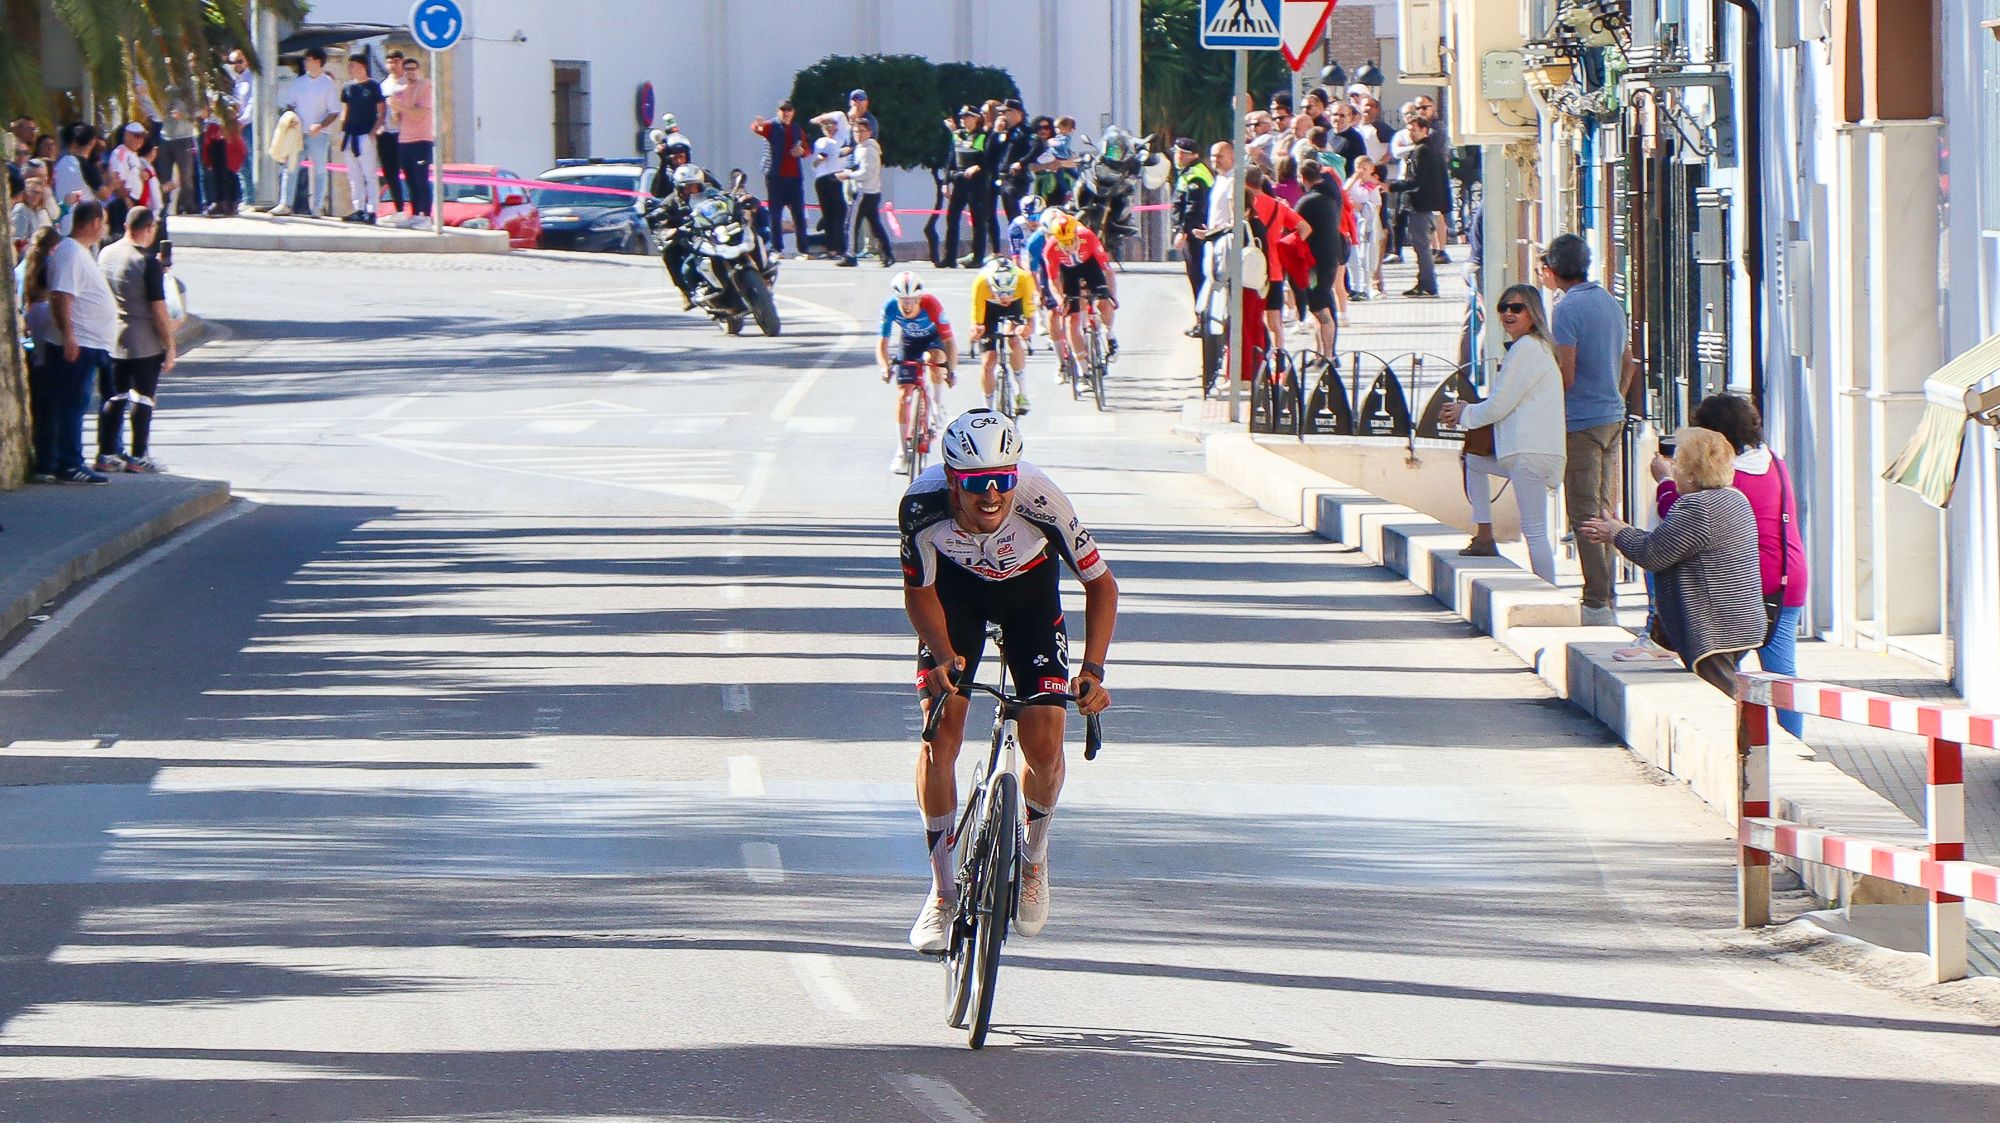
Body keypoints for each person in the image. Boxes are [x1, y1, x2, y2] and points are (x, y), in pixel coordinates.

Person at [900, 408, 1117, 952]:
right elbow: (919, 593)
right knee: (939, 733)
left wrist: (1092, 672)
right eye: (977, 484)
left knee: (1044, 743)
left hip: (1030, 602)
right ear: (953, 481)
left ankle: (1034, 857)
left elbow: (1102, 587)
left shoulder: (1043, 500)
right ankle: (943, 891)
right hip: (957, 603)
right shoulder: (921, 508)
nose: (992, 495)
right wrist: (945, 656)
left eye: (1003, 480)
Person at [1654, 394, 1810, 735]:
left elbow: (1679, 524)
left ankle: (1724, 737)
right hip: (1789, 574)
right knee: (1781, 673)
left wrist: (1666, 482)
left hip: (1750, 582)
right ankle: (1796, 744)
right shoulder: (1773, 462)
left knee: (1718, 663)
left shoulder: (1726, 479)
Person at [1579, 428, 1764, 695]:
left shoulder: (1697, 508)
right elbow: (1667, 543)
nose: (1672, 468)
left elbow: (1653, 553)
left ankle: (1737, 738)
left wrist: (1615, 532)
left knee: (1719, 696)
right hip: (1742, 621)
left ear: (1690, 474)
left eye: (1677, 463)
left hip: (1715, 627)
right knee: (1728, 691)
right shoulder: (1735, 498)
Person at [1541, 232, 1637, 625]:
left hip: (1581, 421)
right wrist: (1614, 396)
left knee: (1584, 513)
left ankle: (1597, 600)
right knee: (1605, 509)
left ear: (1553, 269)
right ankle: (1607, 595)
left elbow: (1566, 373)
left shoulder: (1566, 309)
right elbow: (1629, 362)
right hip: (1612, 416)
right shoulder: (1610, 302)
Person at [1441, 285, 1567, 580]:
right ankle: (1484, 536)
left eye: (1517, 308)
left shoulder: (1527, 349)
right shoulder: (1533, 349)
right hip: (1527, 452)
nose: (1508, 313)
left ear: (1533, 314)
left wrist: (1464, 414)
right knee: (1473, 461)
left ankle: (1549, 594)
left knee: (1534, 532)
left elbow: (1499, 405)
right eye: (1503, 307)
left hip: (1530, 452)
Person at [94, 206, 175, 474]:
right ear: (150, 229)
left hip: (111, 336)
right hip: (142, 340)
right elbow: (158, 308)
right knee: (143, 399)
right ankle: (138, 455)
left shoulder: (106, 253)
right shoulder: (146, 261)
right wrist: (170, 345)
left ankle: (106, 453)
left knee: (113, 398)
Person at [43, 200, 118, 483]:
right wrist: (69, 336)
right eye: (104, 222)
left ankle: (67, 460)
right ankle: (69, 462)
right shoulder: (71, 253)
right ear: (95, 222)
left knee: (76, 401)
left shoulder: (80, 252)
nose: (105, 228)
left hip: (89, 342)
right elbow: (62, 295)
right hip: (79, 343)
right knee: (72, 402)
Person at [878, 271, 956, 473]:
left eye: (912, 300)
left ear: (919, 298)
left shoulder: (932, 304)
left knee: (935, 360)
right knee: (904, 395)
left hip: (933, 340)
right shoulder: (889, 308)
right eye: (903, 300)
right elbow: (883, 343)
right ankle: (902, 452)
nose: (907, 305)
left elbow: (950, 342)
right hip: (909, 342)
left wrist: (951, 370)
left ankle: (938, 405)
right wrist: (884, 366)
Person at [1041, 210, 1119, 373]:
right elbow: (1053, 280)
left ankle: (1110, 336)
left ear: (1077, 234)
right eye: (1064, 243)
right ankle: (1084, 371)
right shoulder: (1050, 249)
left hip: (1090, 265)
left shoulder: (1088, 236)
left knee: (1103, 302)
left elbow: (1107, 269)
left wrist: (1111, 295)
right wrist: (1060, 300)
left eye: (1071, 241)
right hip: (1068, 272)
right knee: (1072, 319)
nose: (1069, 247)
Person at [19, 225, 66, 480]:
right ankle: (48, 462)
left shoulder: (25, 279)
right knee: (50, 411)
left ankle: (45, 460)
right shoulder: (47, 301)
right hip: (47, 356)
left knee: (42, 411)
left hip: (35, 357)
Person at [1389, 114, 1448, 297]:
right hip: (1425, 203)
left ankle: (1428, 284)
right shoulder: (1430, 148)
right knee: (1421, 244)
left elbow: (1416, 180)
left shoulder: (1422, 150)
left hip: (1420, 204)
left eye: (1413, 130)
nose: (1410, 134)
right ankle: (1423, 281)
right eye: (1408, 130)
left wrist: (1392, 186)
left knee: (1421, 245)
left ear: (1423, 129)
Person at [970, 255, 1037, 416]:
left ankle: (1022, 393)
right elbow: (977, 319)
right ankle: (987, 408)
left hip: (1016, 305)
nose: (1005, 297)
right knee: (988, 361)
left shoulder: (1024, 279)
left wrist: (1026, 330)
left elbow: (1030, 318)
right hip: (989, 307)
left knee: (1014, 339)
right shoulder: (981, 282)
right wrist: (976, 330)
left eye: (1008, 292)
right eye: (1000, 293)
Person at [1293, 161, 1345, 357]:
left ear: (1302, 178)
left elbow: (1294, 226)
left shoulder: (1309, 201)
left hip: (1315, 262)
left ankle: (1328, 355)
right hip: (1331, 256)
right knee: (1324, 303)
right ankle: (1322, 353)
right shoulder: (1331, 195)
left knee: (1320, 308)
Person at [280, 49, 341, 217]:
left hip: (319, 135)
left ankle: (318, 207)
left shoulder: (328, 83)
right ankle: (285, 203)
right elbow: (290, 104)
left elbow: (335, 110)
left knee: (320, 170)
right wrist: (291, 118)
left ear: (318, 61)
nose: (306, 62)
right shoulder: (299, 82)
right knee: (290, 167)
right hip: (298, 133)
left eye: (309, 59)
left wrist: (320, 126)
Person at [750, 101, 809, 257]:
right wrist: (757, 125)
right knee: (775, 214)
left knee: (799, 214)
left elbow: (807, 148)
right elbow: (759, 129)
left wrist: (801, 151)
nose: (786, 113)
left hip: (794, 178)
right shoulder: (771, 126)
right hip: (775, 177)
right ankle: (777, 248)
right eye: (783, 110)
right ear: (778, 112)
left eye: (788, 110)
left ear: (793, 112)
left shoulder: (797, 129)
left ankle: (803, 249)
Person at [942, 106, 995, 268]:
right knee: (952, 218)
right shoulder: (958, 135)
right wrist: (945, 182)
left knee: (978, 220)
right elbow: (950, 159)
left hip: (977, 183)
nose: (963, 120)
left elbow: (990, 161)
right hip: (959, 181)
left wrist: (977, 167)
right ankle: (949, 258)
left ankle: (977, 257)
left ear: (976, 118)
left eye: (967, 117)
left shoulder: (984, 136)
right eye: (962, 117)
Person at [1169, 138, 1213, 333]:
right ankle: (1202, 320)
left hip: (1195, 235)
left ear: (1190, 155)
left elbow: (1192, 208)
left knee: (1198, 277)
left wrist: (1182, 231)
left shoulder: (1196, 175)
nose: (1176, 157)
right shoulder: (1190, 172)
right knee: (1197, 277)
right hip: (1195, 234)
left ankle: (1203, 322)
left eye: (1179, 153)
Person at [835, 118, 892, 267]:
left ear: (869, 132)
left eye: (862, 131)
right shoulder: (861, 148)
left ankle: (850, 255)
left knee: (851, 224)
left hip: (864, 193)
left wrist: (848, 175)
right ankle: (888, 254)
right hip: (871, 192)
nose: (858, 134)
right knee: (875, 225)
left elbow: (866, 172)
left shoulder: (868, 150)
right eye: (856, 131)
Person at [338, 54, 386, 224]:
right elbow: (345, 109)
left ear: (362, 66)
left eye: (353, 65)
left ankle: (372, 210)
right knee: (354, 175)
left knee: (369, 175)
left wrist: (374, 130)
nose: (350, 68)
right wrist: (342, 130)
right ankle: (358, 208)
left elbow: (381, 110)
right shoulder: (347, 88)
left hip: (366, 135)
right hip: (350, 135)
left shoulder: (373, 86)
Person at [392, 55, 435, 222]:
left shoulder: (426, 86)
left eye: (413, 68)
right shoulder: (401, 91)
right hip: (405, 141)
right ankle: (416, 213)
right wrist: (396, 110)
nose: (410, 72)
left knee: (421, 180)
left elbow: (421, 112)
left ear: (419, 70)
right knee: (409, 181)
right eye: (407, 69)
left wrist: (401, 106)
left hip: (421, 140)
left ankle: (426, 216)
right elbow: (398, 118)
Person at [808, 115, 847, 259]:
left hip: (825, 179)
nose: (830, 129)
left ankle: (832, 247)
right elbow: (821, 157)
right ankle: (837, 247)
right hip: (830, 178)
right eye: (827, 126)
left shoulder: (837, 141)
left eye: (832, 126)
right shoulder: (825, 142)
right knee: (838, 213)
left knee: (831, 215)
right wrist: (818, 161)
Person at [993, 99, 1036, 223]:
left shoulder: (1026, 131)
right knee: (1011, 219)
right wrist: (995, 132)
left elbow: (1037, 147)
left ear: (1017, 113)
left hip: (1017, 179)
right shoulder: (1005, 133)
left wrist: (1021, 162)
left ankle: (1023, 239)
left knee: (1019, 216)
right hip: (1003, 179)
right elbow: (990, 153)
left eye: (1006, 112)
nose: (1003, 116)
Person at [377, 49, 409, 217]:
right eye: (390, 62)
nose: (393, 65)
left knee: (410, 173)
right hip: (387, 134)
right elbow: (380, 110)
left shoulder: (408, 83)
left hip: (405, 135)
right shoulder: (383, 85)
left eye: (396, 61)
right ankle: (399, 210)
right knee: (390, 173)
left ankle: (419, 211)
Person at [227, 49, 256, 201]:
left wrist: (242, 121)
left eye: (239, 61)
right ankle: (246, 197)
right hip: (234, 127)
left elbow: (252, 102)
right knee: (240, 163)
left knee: (251, 160)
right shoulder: (232, 80)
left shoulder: (251, 78)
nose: (236, 65)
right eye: (233, 62)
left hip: (247, 126)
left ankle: (254, 197)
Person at [11, 171, 58, 252]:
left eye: (39, 193)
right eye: (34, 192)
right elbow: (19, 239)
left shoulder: (36, 211)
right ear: (26, 192)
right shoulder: (21, 209)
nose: (36, 196)